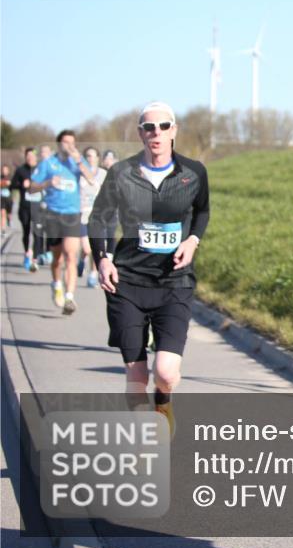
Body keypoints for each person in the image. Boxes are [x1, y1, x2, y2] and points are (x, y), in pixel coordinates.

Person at [89, 102, 210, 435]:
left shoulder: (193, 172)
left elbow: (202, 212)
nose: (156, 132)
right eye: (148, 127)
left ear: (174, 130)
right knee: (137, 375)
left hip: (174, 283)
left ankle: (163, 402)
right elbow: (99, 218)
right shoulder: (121, 173)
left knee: (167, 372)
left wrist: (193, 240)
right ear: (140, 132)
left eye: (163, 126)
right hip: (126, 283)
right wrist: (102, 257)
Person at [29, 131, 96, 315]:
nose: (69, 146)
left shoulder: (77, 161)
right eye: (66, 143)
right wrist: (48, 183)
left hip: (72, 214)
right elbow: (32, 186)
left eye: (72, 143)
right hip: (53, 214)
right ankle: (56, 284)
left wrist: (80, 161)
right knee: (57, 259)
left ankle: (69, 297)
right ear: (59, 144)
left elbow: (90, 179)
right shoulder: (48, 163)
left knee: (71, 256)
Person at [78, 146, 107, 287]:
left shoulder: (103, 174)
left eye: (93, 155)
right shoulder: (79, 173)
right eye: (87, 155)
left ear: (97, 158)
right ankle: (81, 260)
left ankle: (92, 275)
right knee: (86, 249)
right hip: (82, 216)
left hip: (97, 217)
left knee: (96, 247)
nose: (90, 158)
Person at [13, 148, 44, 271]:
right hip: (25, 207)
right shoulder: (21, 170)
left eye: (32, 155)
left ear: (36, 157)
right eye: (28, 156)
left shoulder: (42, 169)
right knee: (26, 232)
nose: (30, 158)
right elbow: (12, 185)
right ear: (26, 157)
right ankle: (27, 253)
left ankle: (35, 260)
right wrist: (21, 184)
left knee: (37, 233)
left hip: (38, 207)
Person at [0, 164, 12, 234]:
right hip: (2, 198)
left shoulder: (10, 177)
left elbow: (12, 184)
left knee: (9, 214)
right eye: (3, 170)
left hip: (9, 199)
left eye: (5, 170)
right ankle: (3, 230)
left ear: (8, 170)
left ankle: (9, 219)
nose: (4, 171)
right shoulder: (1, 177)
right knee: (2, 213)